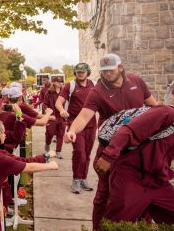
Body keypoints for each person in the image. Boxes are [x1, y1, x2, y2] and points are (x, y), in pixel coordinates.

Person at [64, 53, 158, 230]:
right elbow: (84, 117)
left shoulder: (137, 82)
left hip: (138, 149)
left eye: (111, 70)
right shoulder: (97, 91)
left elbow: (154, 106)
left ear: (120, 68)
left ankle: (144, 227)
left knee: (143, 192)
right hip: (110, 151)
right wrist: (71, 131)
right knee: (104, 194)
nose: (107, 74)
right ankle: (98, 228)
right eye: (104, 71)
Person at [0, 119, 59, 231]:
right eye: (1, 133)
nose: (4, 135)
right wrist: (50, 166)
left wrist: (45, 157)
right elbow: (28, 167)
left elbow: (21, 161)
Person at [95, 105, 174, 224]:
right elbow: (128, 130)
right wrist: (108, 156)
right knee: (118, 224)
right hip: (130, 175)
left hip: (157, 180)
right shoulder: (166, 113)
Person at [55, 63, 97, 194]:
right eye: (78, 72)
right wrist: (62, 110)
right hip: (75, 126)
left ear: (87, 72)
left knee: (88, 154)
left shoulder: (94, 85)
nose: (80, 74)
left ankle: (83, 178)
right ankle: (76, 179)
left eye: (83, 72)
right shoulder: (70, 86)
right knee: (80, 153)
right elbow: (58, 102)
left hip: (91, 125)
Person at [43, 76, 66, 159]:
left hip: (62, 117)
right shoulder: (49, 92)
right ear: (54, 82)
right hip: (52, 117)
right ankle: (47, 147)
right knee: (50, 134)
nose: (60, 83)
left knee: (60, 135)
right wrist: (48, 112)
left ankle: (58, 151)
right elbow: (45, 104)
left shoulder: (64, 92)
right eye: (58, 81)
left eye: (61, 82)